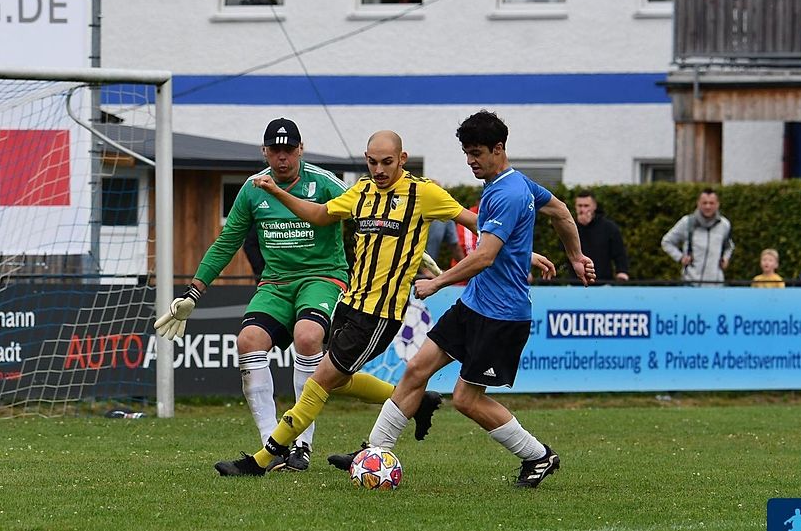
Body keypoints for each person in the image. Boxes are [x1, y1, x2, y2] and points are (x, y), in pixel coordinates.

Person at [213, 129, 556, 477]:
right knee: (341, 380)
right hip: (350, 304)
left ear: (402, 159)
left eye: (387, 162)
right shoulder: (361, 191)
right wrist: (277, 192)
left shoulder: (423, 193)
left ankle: (263, 459)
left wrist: (523, 254)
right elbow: (319, 215)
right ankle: (410, 411)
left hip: (379, 315)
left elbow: (477, 224)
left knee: (320, 381)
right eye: (373, 162)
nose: (379, 170)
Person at [327, 110, 596, 489]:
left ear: (498, 149)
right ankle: (373, 451)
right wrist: (575, 256)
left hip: (503, 315)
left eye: (476, 153)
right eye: (467, 153)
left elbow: (485, 256)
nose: (470, 161)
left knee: (466, 399)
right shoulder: (515, 184)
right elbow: (561, 213)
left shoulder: (508, 193)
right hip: (474, 304)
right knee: (417, 369)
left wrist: (437, 283)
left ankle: (538, 455)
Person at [154, 118, 349, 472]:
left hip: (322, 276)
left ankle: (302, 444)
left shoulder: (324, 182)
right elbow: (226, 243)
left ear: (300, 150)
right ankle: (271, 445)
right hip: (275, 283)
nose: (282, 157)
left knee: (308, 337)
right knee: (248, 341)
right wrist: (194, 292)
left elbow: (365, 209)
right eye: (275, 150)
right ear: (264, 152)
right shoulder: (252, 189)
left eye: (288, 150)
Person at [661, 188, 735, 286]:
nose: (708, 206)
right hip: (690, 283)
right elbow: (666, 241)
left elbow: (729, 246)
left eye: (711, 203)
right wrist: (680, 257)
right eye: (704, 203)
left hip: (716, 284)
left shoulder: (724, 224)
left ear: (717, 204)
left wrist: (725, 258)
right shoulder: (687, 222)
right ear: (698, 204)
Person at [573, 190, 629, 282]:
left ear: (594, 206)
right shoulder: (570, 227)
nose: (583, 209)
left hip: (604, 282)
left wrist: (622, 272)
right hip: (575, 282)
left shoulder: (609, 227)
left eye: (586, 206)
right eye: (580, 206)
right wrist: (579, 227)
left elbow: (619, 253)